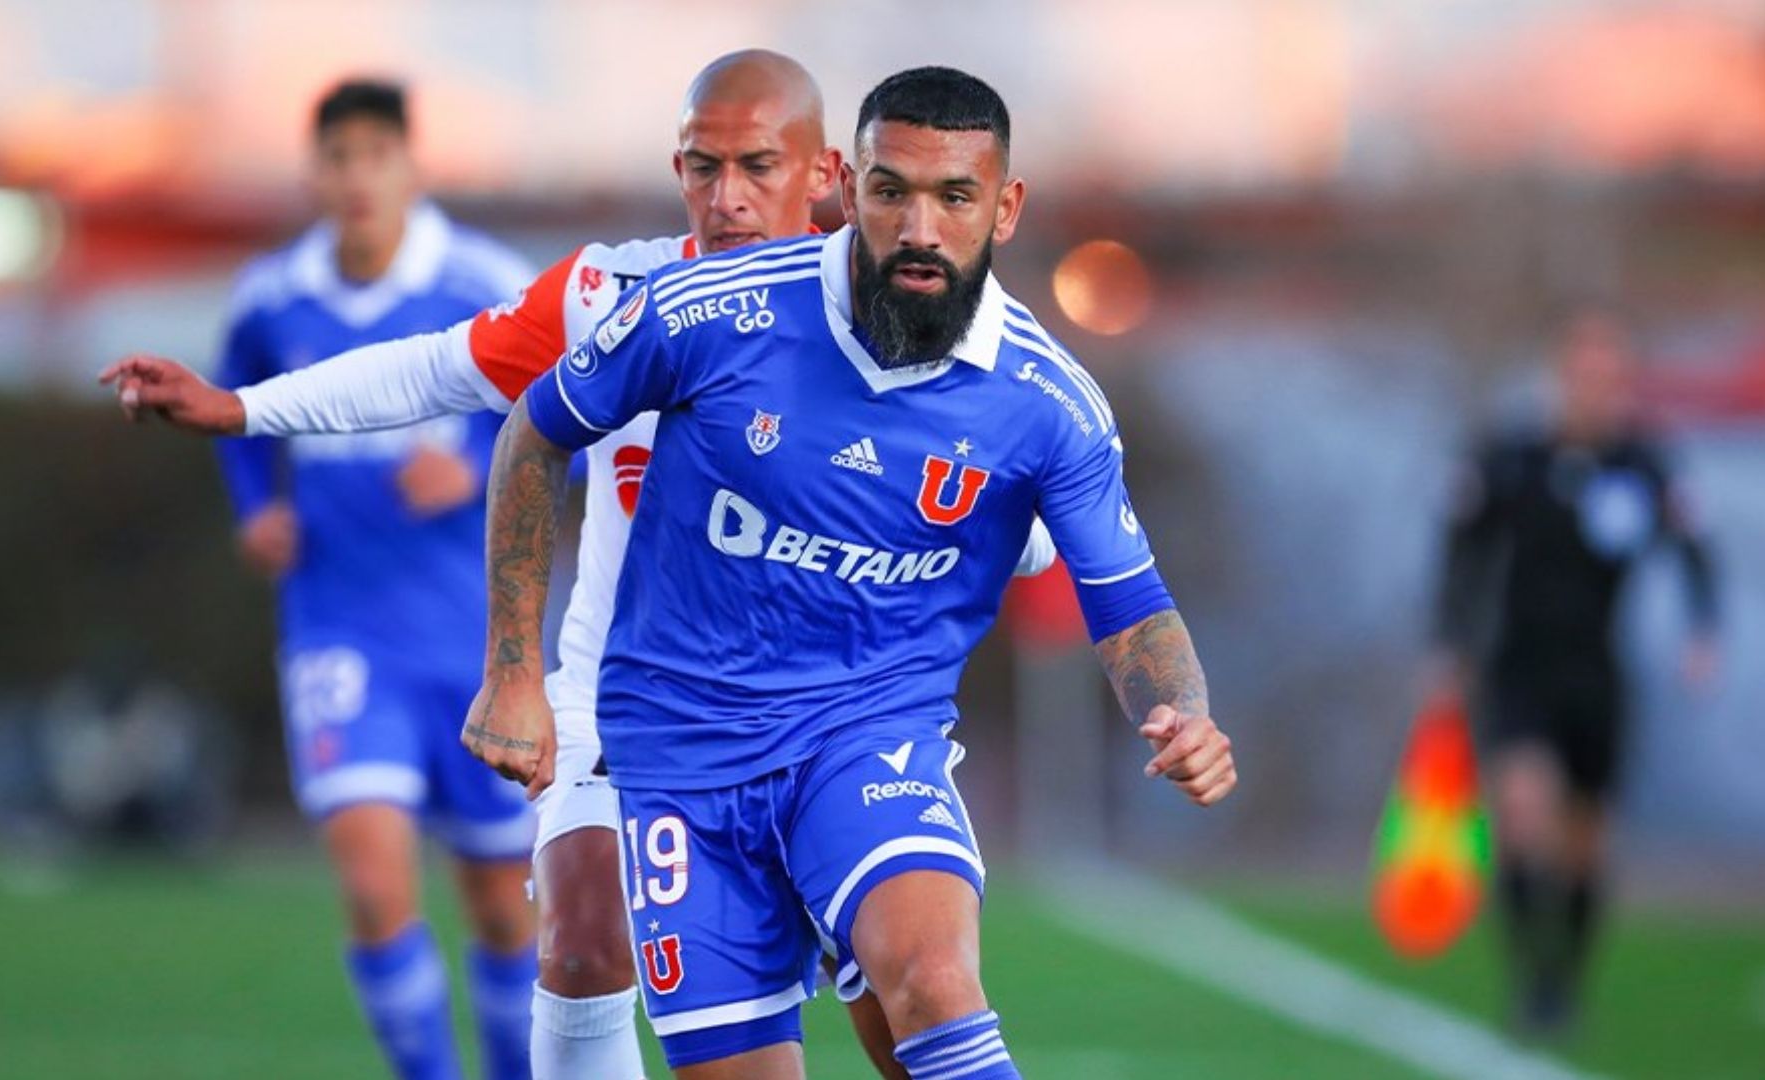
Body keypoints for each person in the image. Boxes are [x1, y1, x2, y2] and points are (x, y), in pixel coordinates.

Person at [103, 51, 1052, 1079]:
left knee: (909, 1023)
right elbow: (440, 368)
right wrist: (245, 410)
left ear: (824, 172)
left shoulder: (898, 316)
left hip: (833, 718)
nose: (726, 198)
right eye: (703, 166)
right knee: (583, 942)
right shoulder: (615, 290)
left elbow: (1021, 509)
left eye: (758, 167)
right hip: (627, 704)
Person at [464, 66, 1236, 1079]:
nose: (919, 225)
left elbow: (1130, 606)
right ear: (851, 188)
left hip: (866, 741)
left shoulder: (1048, 403)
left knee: (929, 981)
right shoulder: (708, 313)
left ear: (1004, 209)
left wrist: (1181, 708)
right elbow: (534, 433)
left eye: (954, 196)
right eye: (892, 190)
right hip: (681, 757)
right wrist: (513, 671)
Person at [208, 79, 539, 1080]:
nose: (356, 179)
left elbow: (558, 397)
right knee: (373, 882)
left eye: (374, 156)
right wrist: (253, 506)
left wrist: (481, 458)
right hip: (339, 628)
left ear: (411, 165)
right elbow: (232, 402)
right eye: (337, 158)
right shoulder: (273, 297)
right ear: (315, 172)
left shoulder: (482, 277)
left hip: (478, 641)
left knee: (500, 904)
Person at [1433, 306, 1720, 1036]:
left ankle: (1567, 976)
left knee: (1587, 837)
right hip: (1521, 668)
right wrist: (1449, 644)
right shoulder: (1513, 457)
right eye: (1583, 372)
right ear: (1560, 376)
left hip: (1597, 676)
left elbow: (1694, 548)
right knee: (1525, 811)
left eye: (1610, 374)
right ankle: (1532, 975)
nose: (1597, 387)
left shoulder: (1644, 466)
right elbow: (1462, 550)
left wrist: (1703, 629)